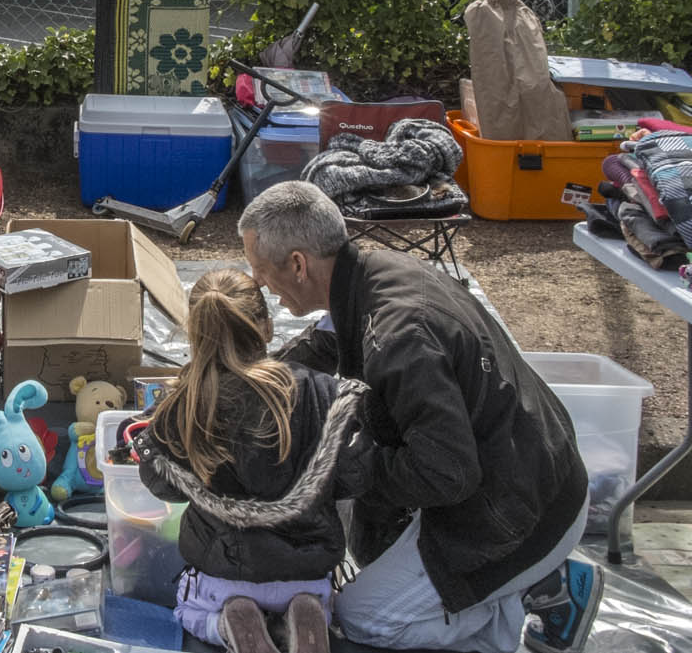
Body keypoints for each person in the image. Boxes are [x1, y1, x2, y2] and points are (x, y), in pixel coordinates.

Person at [235, 180, 601, 653]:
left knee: (362, 620)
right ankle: (508, 590)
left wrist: (333, 470)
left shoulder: (400, 336)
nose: (259, 283)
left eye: (260, 270)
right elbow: (325, 343)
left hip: (524, 513)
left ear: (299, 264)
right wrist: (244, 380)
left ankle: (532, 592)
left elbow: (447, 474)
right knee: (366, 535)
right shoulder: (367, 273)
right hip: (531, 468)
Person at [129, 268, 368, 653]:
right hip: (308, 571)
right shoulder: (320, 390)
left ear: (195, 335)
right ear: (268, 328)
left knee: (186, 610)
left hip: (223, 574)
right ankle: (310, 613)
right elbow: (354, 474)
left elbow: (160, 483)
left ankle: (226, 625)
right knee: (313, 597)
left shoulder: (182, 405)